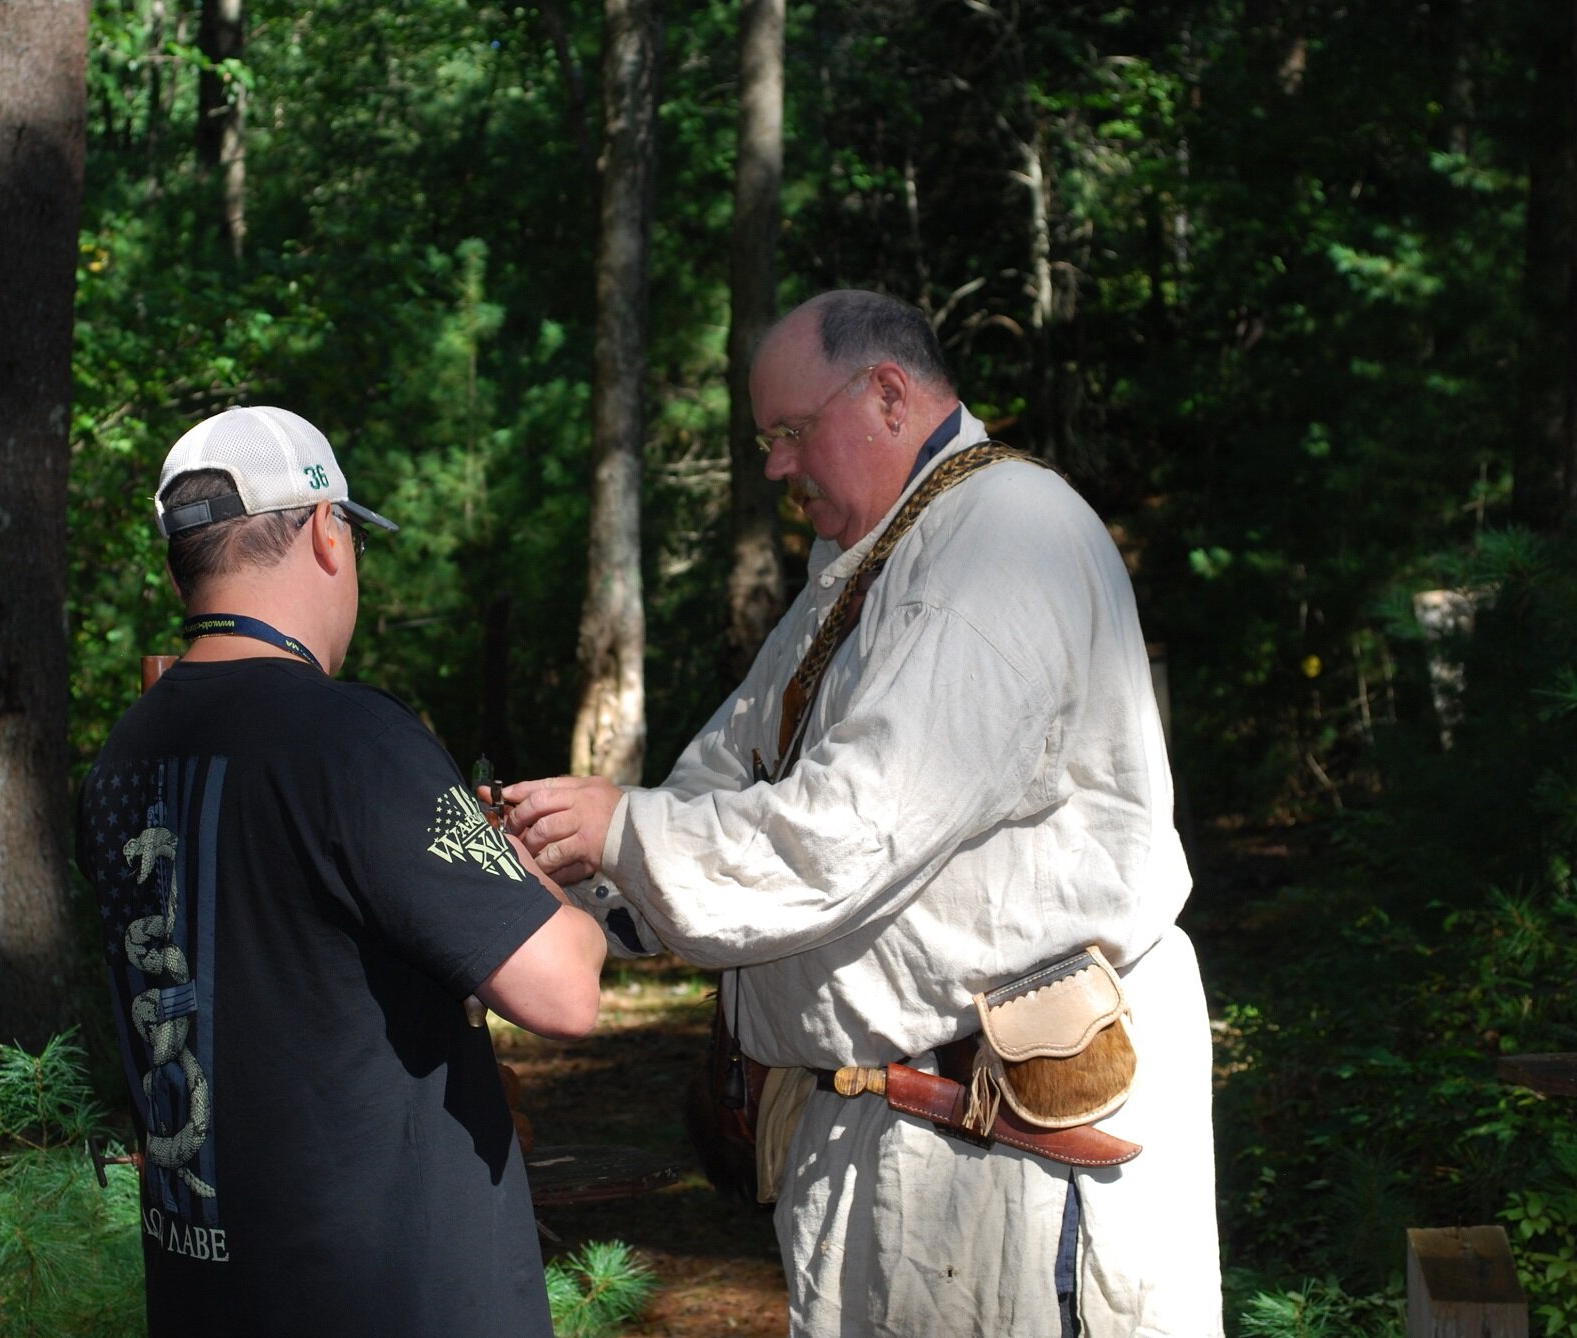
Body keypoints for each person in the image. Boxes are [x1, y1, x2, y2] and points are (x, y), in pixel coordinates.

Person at [503, 291, 1222, 1336]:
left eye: (789, 433)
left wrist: (621, 832)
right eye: (764, 440)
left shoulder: (1002, 539)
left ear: (886, 394)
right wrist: (578, 872)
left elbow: (850, 830)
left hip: (1007, 1160)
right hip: (888, 1138)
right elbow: (724, 781)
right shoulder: (864, 571)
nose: (774, 467)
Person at [76, 405, 605, 1337]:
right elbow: (564, 991)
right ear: (327, 532)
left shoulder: (124, 753)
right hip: (397, 1300)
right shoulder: (353, 738)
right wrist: (548, 888)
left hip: (210, 1297)